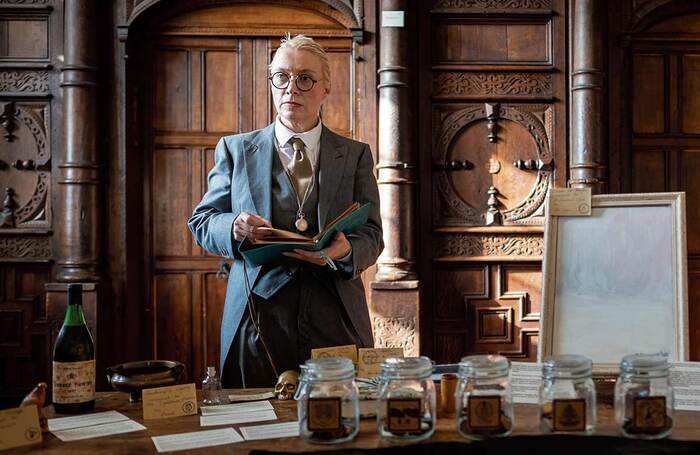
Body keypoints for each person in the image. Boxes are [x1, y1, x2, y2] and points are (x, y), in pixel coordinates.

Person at [188, 34, 383, 388]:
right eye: (282, 77)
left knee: (336, 420)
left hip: (334, 313)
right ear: (272, 84)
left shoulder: (354, 154)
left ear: (325, 88)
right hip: (257, 314)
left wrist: (346, 250)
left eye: (305, 78)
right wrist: (234, 225)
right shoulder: (235, 150)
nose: (291, 88)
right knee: (258, 422)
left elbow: (372, 233)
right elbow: (202, 222)